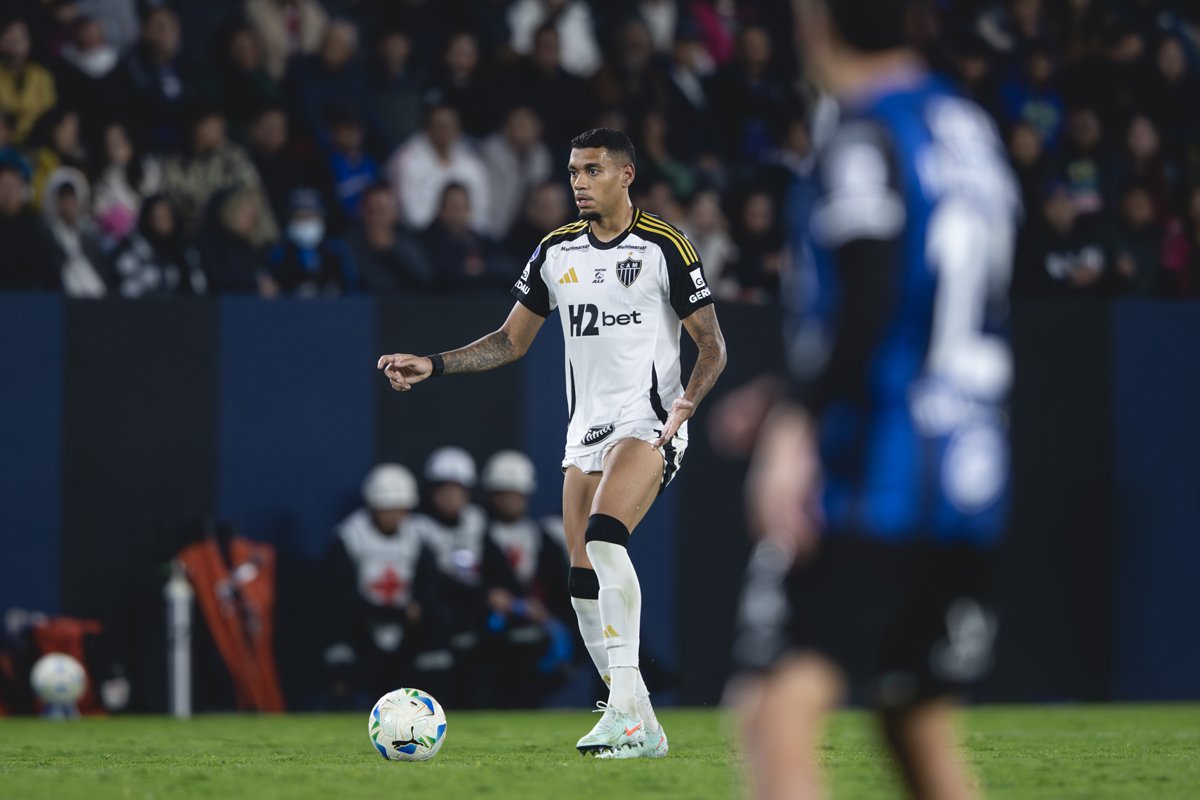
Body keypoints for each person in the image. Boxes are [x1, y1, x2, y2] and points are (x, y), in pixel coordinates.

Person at [734, 2, 1019, 798]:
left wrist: (796, 423)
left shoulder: (863, 134)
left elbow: (871, 293)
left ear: (816, 24)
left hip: (879, 474)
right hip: (969, 473)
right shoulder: (967, 131)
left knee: (773, 713)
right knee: (917, 727)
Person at [378, 127, 727, 757]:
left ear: (626, 175)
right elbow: (510, 341)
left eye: (592, 171)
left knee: (604, 537)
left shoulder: (663, 246)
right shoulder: (554, 251)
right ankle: (641, 721)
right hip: (584, 431)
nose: (579, 183)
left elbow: (713, 344)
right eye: (572, 172)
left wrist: (686, 403)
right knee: (579, 579)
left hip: (650, 423)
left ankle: (621, 711)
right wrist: (434, 363)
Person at [323, 464, 448, 707]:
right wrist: (396, 612)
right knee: (338, 642)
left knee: (437, 626)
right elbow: (339, 596)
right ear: (373, 506)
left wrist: (418, 607)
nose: (394, 515)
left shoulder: (416, 537)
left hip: (407, 633)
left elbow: (429, 584)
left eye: (400, 509)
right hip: (360, 631)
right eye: (387, 509)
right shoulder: (350, 536)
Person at [478, 450, 574, 708]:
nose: (510, 501)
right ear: (490, 494)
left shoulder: (541, 535)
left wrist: (550, 616)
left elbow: (558, 586)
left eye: (516, 495)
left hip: (538, 621)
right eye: (503, 494)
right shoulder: (476, 532)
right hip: (491, 622)